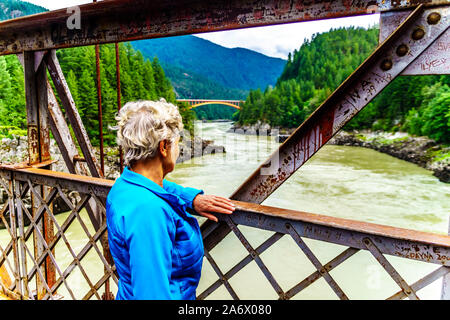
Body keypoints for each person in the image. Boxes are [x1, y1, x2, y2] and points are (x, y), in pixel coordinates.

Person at [106, 98, 235, 300]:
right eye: (177, 143)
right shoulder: (148, 211)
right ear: (164, 147)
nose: (178, 149)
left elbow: (161, 187)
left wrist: (191, 199)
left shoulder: (125, 185)